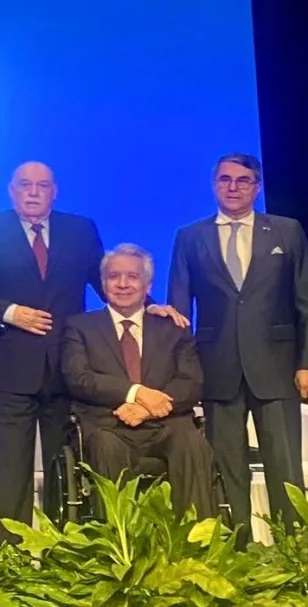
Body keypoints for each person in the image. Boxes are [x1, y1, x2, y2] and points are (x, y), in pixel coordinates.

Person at [0, 161, 187, 543]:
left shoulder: (79, 230)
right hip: (9, 367)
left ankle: (62, 555)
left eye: (42, 185)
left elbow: (108, 285)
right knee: (9, 470)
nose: (33, 192)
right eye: (25, 185)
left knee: (63, 471)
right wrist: (9, 311)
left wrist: (149, 306)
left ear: (55, 191)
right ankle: (11, 557)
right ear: (11, 190)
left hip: (66, 369)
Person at [169, 152, 308, 545]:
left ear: (257, 186)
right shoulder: (190, 237)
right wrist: (183, 374)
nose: (233, 187)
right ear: (214, 184)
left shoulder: (286, 231)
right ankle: (238, 553)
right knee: (229, 470)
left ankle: (294, 554)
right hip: (217, 370)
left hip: (277, 366)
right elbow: (179, 311)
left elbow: (304, 302)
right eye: (225, 180)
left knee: (285, 470)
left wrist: (305, 363)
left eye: (243, 180)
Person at [62, 244, 215, 519]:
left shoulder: (173, 327)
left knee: (192, 444)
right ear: (103, 282)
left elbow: (191, 383)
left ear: (148, 284)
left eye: (132, 277)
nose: (122, 284)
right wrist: (136, 393)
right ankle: (123, 549)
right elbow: (79, 378)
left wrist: (146, 408)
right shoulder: (80, 327)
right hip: (109, 425)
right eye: (113, 276)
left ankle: (197, 547)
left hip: (166, 424)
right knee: (107, 447)